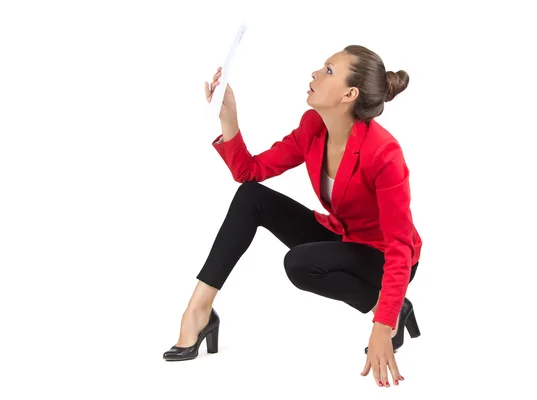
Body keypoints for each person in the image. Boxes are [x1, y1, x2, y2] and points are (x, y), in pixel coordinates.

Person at [163, 44, 423, 388]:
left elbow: (400, 247)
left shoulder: (385, 154)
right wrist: (229, 117)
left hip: (384, 256)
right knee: (251, 197)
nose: (316, 74)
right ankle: (199, 311)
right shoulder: (313, 126)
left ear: (350, 93)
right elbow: (250, 172)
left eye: (328, 70)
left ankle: (388, 307)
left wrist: (382, 324)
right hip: (343, 236)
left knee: (299, 264)